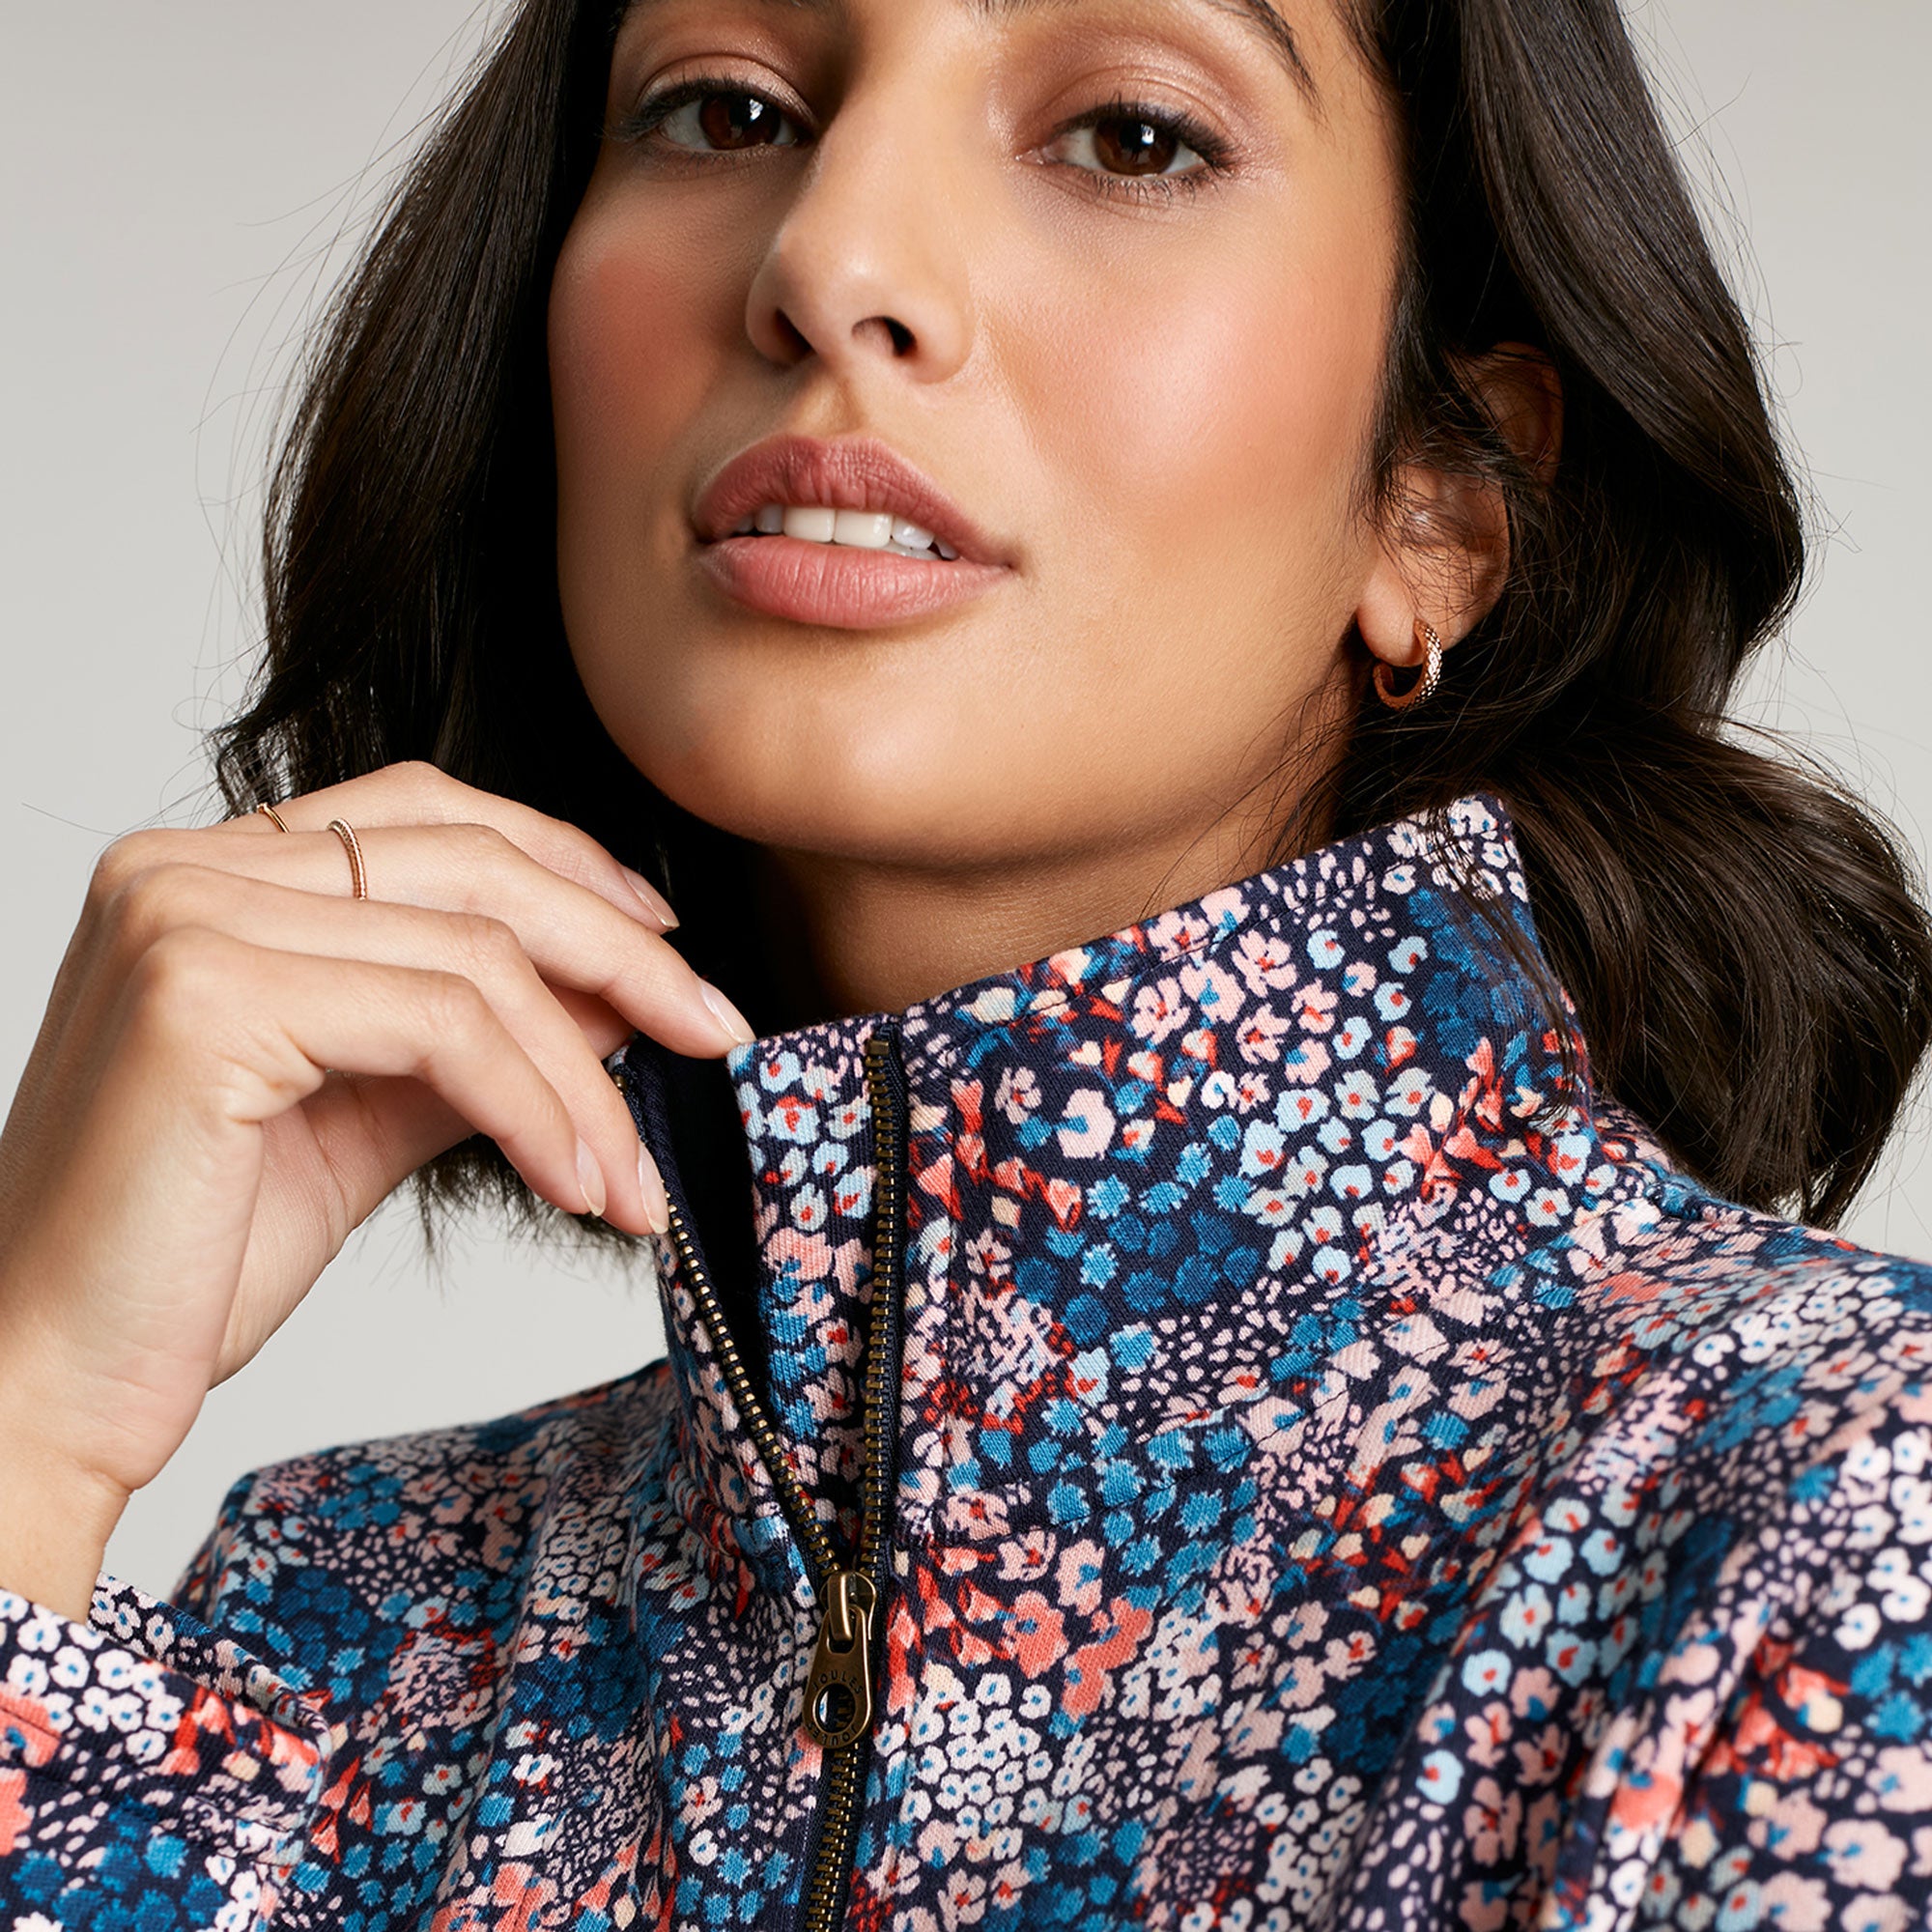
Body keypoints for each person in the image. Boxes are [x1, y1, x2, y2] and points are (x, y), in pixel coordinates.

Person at [3, 0, 1930, 1925]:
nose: (828, 261)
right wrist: (29, 1409)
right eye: (726, 108)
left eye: (1132, 136)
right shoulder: (339, 1638)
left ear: (1442, 499)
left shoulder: (1837, 1514)